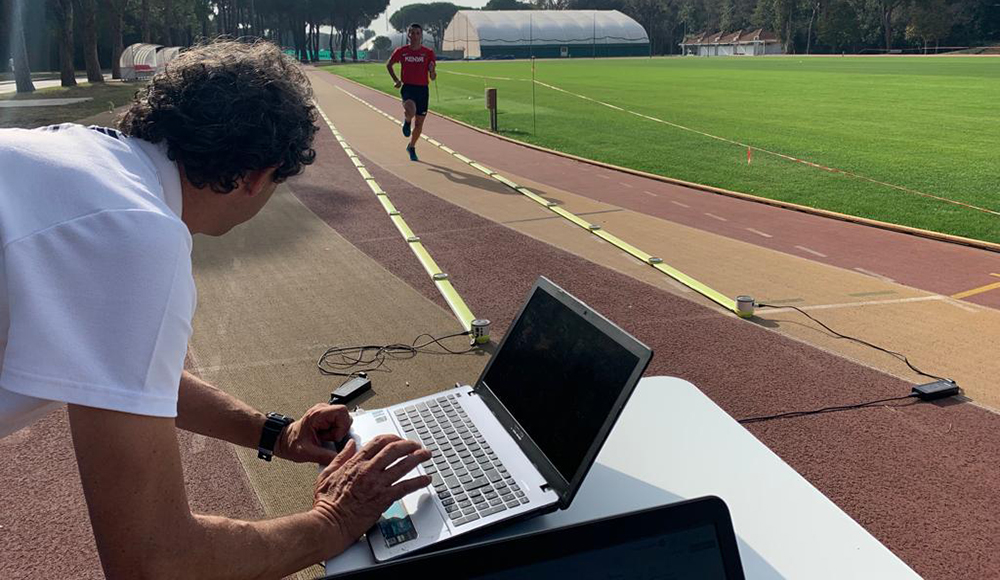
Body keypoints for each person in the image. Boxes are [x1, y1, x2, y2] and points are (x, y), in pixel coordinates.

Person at [0, 40, 431, 578]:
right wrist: (334, 522)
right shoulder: (136, 234)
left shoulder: (81, 158)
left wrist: (275, 433)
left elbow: (123, 369)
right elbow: (156, 561)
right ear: (256, 175)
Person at [386, 23, 436, 162]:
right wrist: (396, 80)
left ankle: (411, 146)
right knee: (411, 111)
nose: (414, 36)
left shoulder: (428, 53)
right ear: (408, 35)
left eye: (417, 33)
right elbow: (389, 64)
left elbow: (432, 77)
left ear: (421, 36)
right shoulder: (401, 51)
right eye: (412, 33)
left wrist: (432, 70)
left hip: (423, 90)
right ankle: (407, 121)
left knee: (419, 125)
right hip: (408, 88)